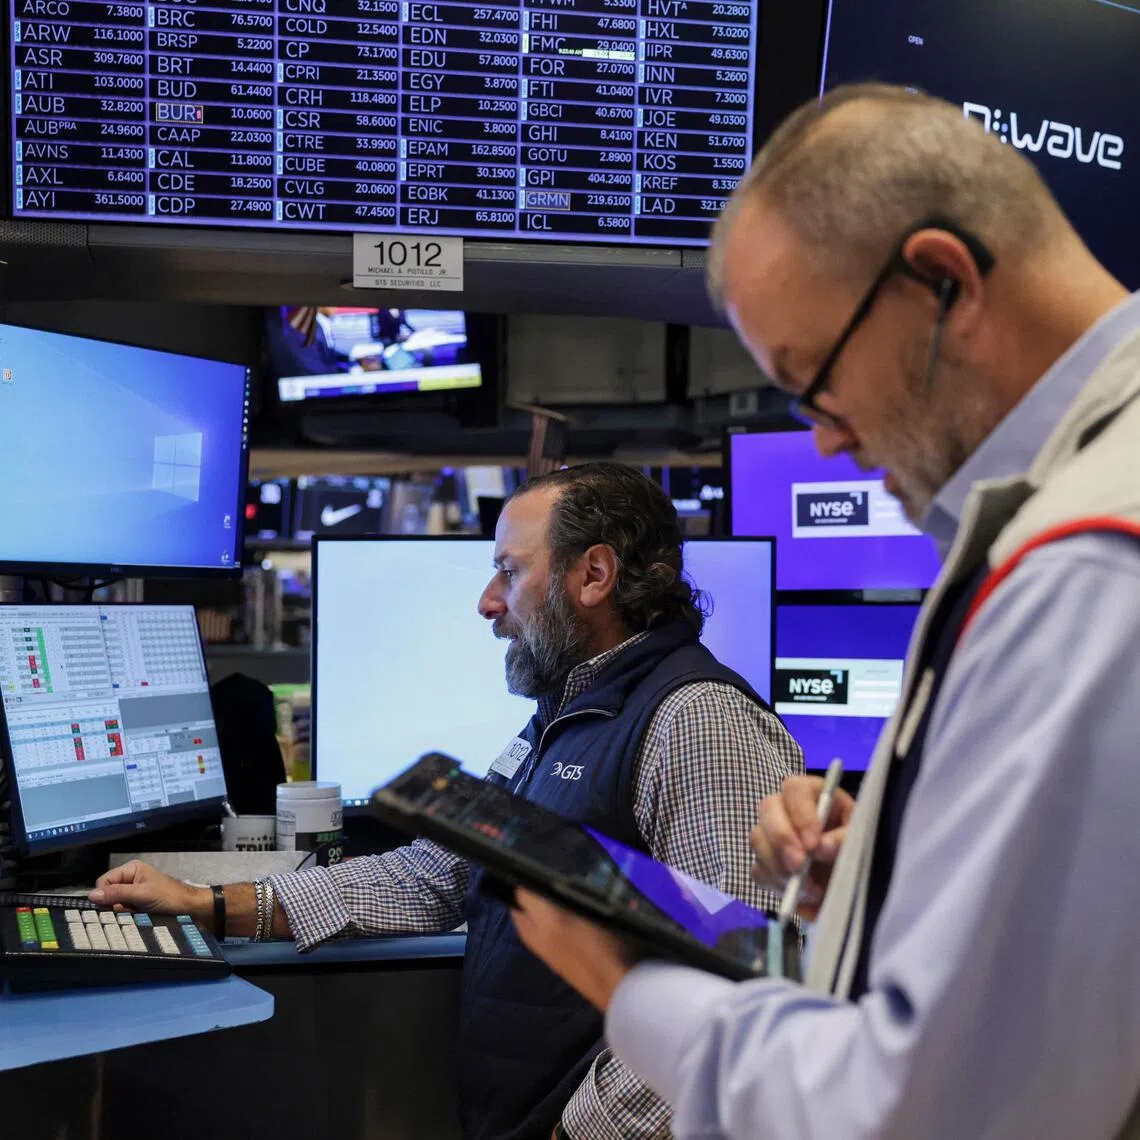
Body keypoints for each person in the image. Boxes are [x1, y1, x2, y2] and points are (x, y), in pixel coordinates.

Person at [510, 83, 1140, 1139]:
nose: (829, 444)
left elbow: (921, 1117)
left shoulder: (1088, 570)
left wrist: (632, 983)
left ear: (942, 280)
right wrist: (895, 871)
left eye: (816, 385)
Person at [93, 462, 803, 1140]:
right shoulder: (568, 716)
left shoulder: (699, 721)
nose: (488, 602)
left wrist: (580, 1133)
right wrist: (214, 904)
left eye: (509, 571)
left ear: (594, 575)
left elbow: (736, 987)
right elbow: (437, 875)